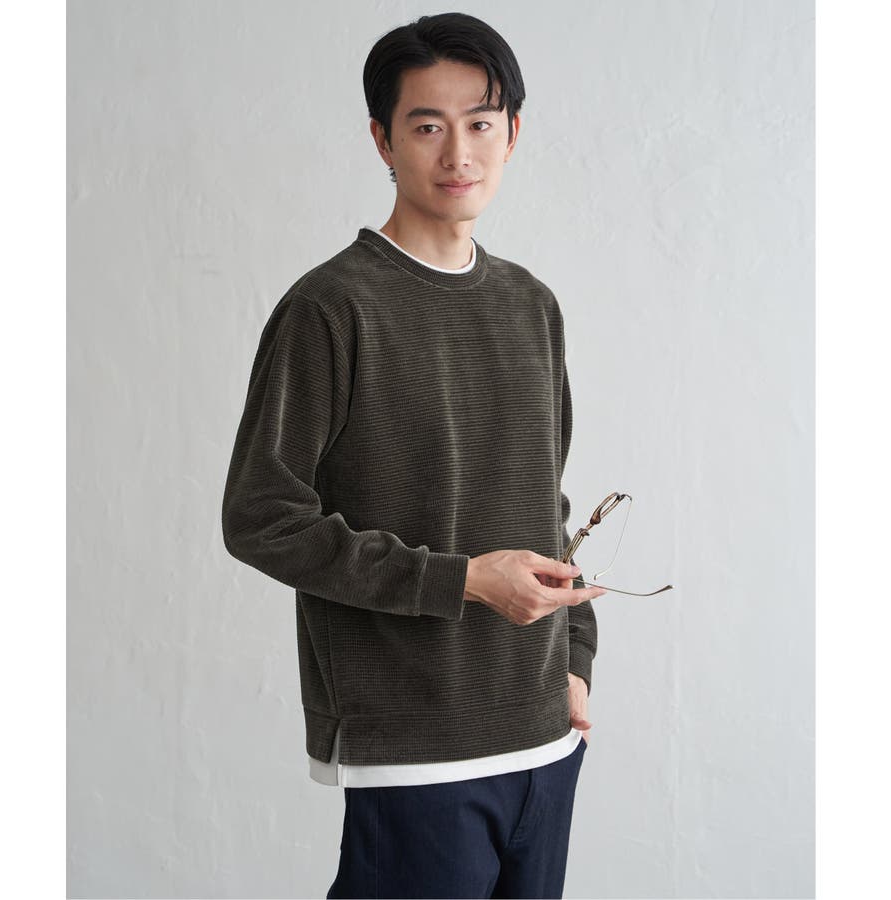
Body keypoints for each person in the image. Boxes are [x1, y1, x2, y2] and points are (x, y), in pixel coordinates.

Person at [221, 11, 607, 899]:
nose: (458, 152)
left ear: (513, 134)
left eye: (480, 123)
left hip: (547, 738)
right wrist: (463, 581)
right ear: (382, 141)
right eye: (427, 126)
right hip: (416, 751)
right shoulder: (330, 308)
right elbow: (261, 517)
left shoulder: (531, 305)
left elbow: (544, 500)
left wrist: (576, 660)